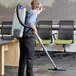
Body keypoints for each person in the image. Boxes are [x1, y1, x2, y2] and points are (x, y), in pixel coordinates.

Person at [18, 0, 43, 76]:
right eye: (40, 11)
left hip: (22, 37)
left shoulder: (27, 12)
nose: (39, 13)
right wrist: (35, 29)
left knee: (22, 58)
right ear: (38, 9)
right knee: (30, 58)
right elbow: (30, 22)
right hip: (29, 38)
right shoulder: (34, 13)